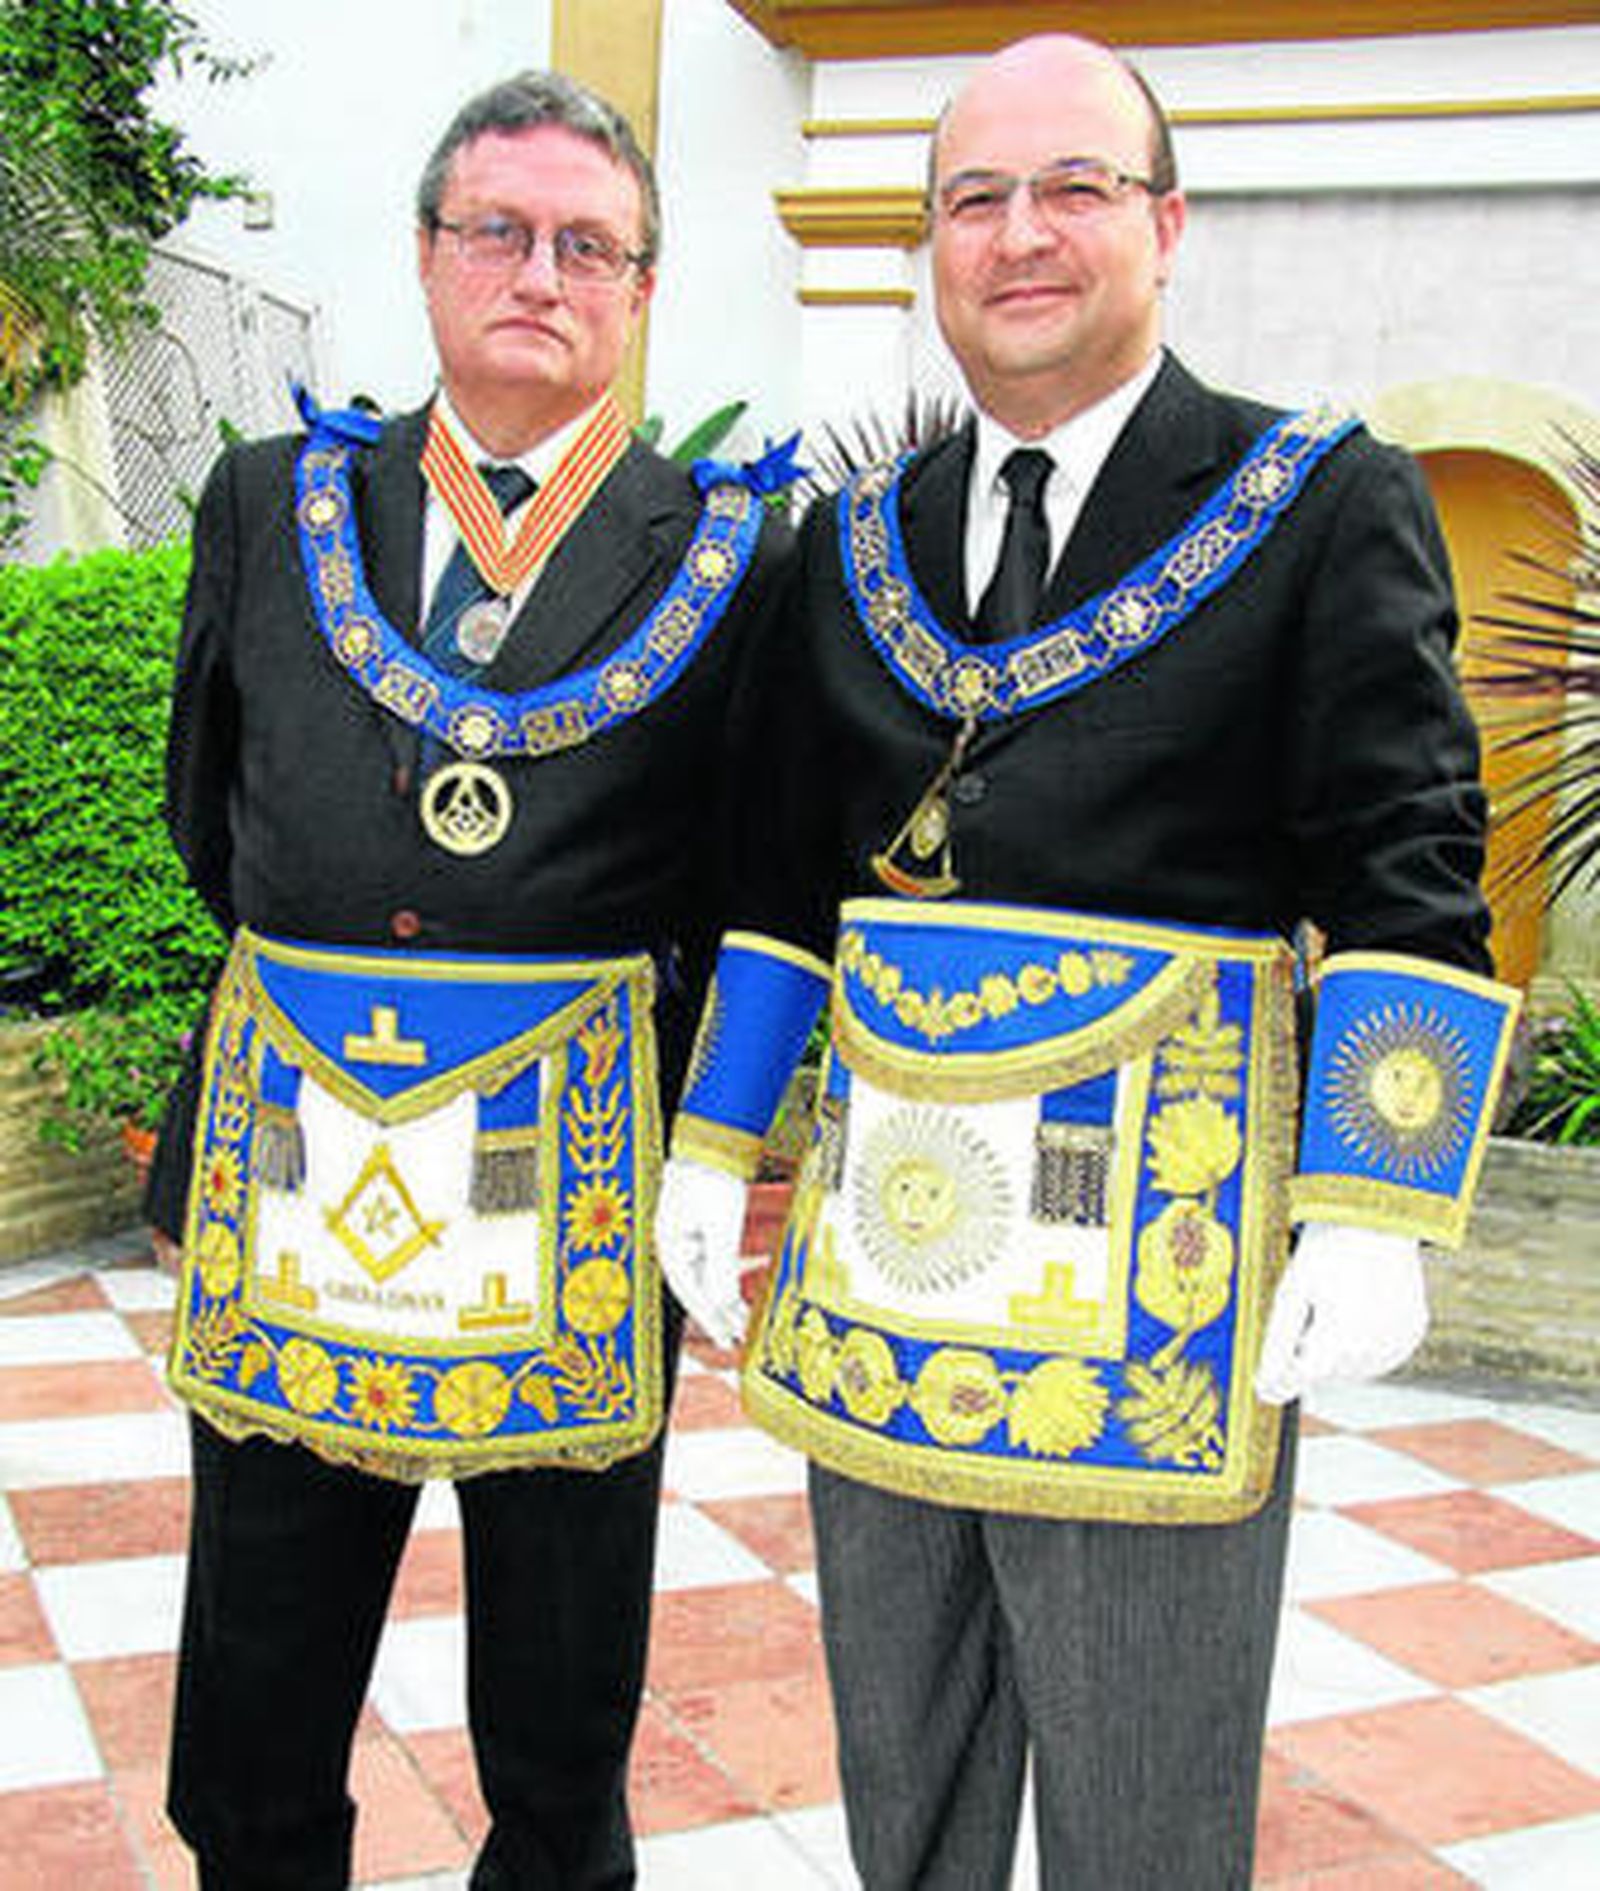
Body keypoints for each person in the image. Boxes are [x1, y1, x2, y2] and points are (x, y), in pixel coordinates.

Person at [655, 33, 1519, 1891]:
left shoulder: (1318, 500)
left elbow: (1410, 867)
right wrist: (711, 1141)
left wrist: (1373, 1204)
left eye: (1074, 189)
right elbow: (786, 888)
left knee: (1140, 1817)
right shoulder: (849, 545)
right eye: (975, 197)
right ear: (931, 248)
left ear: (1167, 222)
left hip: (1163, 1299)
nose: (1019, 234)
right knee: (910, 1792)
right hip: (888, 1267)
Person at [144, 69, 788, 1890]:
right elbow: (220, 818)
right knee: (255, 1699)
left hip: (573, 1191)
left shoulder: (736, 553)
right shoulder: (273, 502)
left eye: (590, 245)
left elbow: (757, 893)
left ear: (643, 292)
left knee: (562, 1726)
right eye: (496, 230)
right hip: (298, 1171)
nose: (540, 272)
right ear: (427, 260)